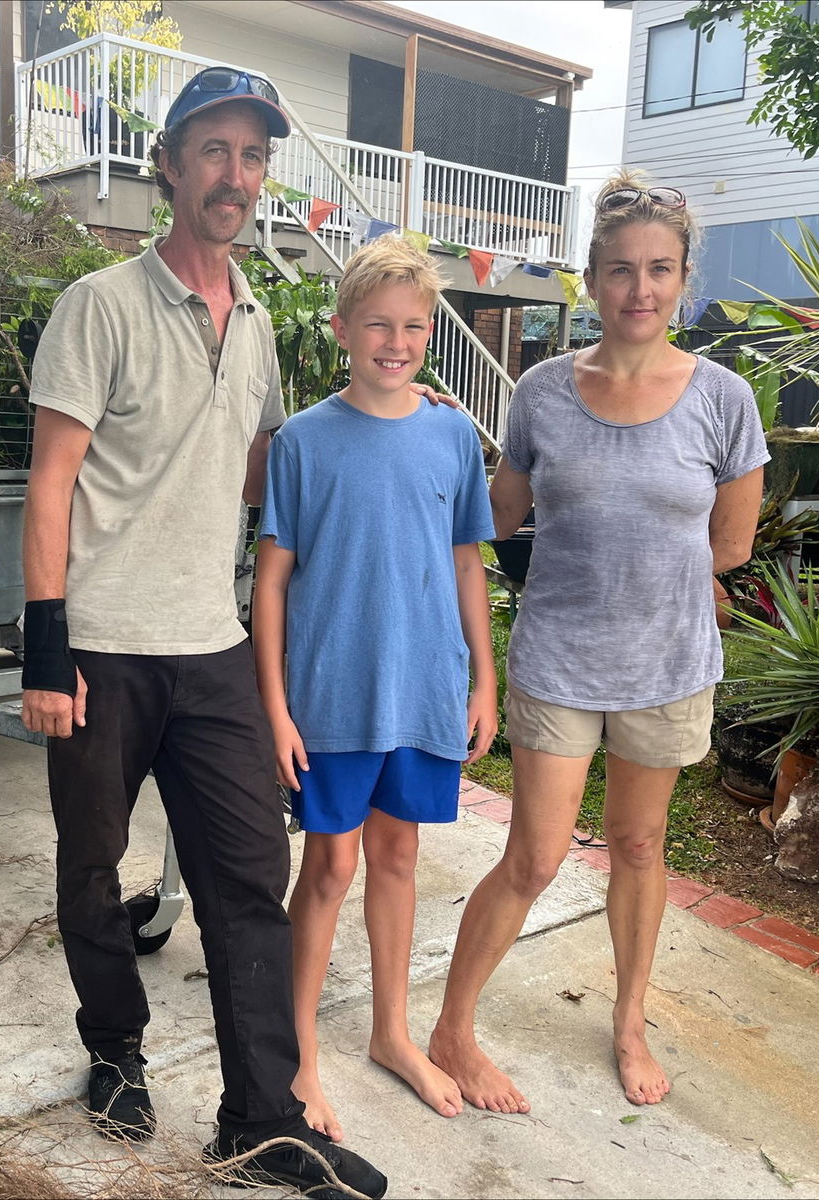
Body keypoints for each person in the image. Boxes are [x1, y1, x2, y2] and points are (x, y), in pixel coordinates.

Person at [18, 66, 387, 1199]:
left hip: (212, 643)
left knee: (244, 880)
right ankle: (116, 1054)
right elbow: (49, 485)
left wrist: (381, 430)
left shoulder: (264, 324)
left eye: (255, 156)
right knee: (92, 869)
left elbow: (258, 472)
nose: (238, 175)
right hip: (101, 646)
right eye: (216, 151)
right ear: (169, 165)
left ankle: (261, 1120)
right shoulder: (102, 303)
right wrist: (45, 644)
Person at [428, 170, 767, 1113]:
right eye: (621, 270)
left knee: (639, 844)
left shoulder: (724, 399)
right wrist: (444, 440)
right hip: (561, 658)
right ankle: (452, 1031)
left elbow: (732, 544)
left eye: (660, 269)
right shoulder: (541, 392)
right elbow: (499, 515)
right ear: (591, 278)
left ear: (684, 277)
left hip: (667, 661)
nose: (640, 289)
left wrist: (657, 575)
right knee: (534, 858)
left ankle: (628, 1023)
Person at [253, 237, 498, 1143]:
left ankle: (393, 1033)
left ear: (430, 333)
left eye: (414, 327)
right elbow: (271, 580)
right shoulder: (305, 442)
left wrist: (484, 678)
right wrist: (276, 707)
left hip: (425, 690)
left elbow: (466, 560)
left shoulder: (450, 434)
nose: (396, 343)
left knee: (398, 860)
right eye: (378, 325)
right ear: (342, 329)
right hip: (331, 697)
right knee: (331, 865)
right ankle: (298, 1057)